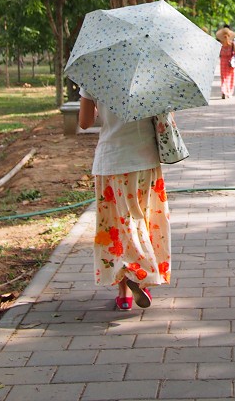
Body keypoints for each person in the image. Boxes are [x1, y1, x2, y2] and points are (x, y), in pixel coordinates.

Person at [78, 93, 171, 312]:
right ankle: (141, 275)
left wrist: (105, 108)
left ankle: (124, 294)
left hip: (110, 159)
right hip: (144, 159)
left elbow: (84, 122)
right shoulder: (150, 73)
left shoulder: (95, 71)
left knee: (117, 226)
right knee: (143, 219)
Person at [216, 24, 235, 99]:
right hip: (230, 62)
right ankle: (228, 92)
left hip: (223, 62)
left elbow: (218, 54)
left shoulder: (220, 44)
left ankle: (224, 91)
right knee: (230, 77)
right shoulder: (232, 44)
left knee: (224, 78)